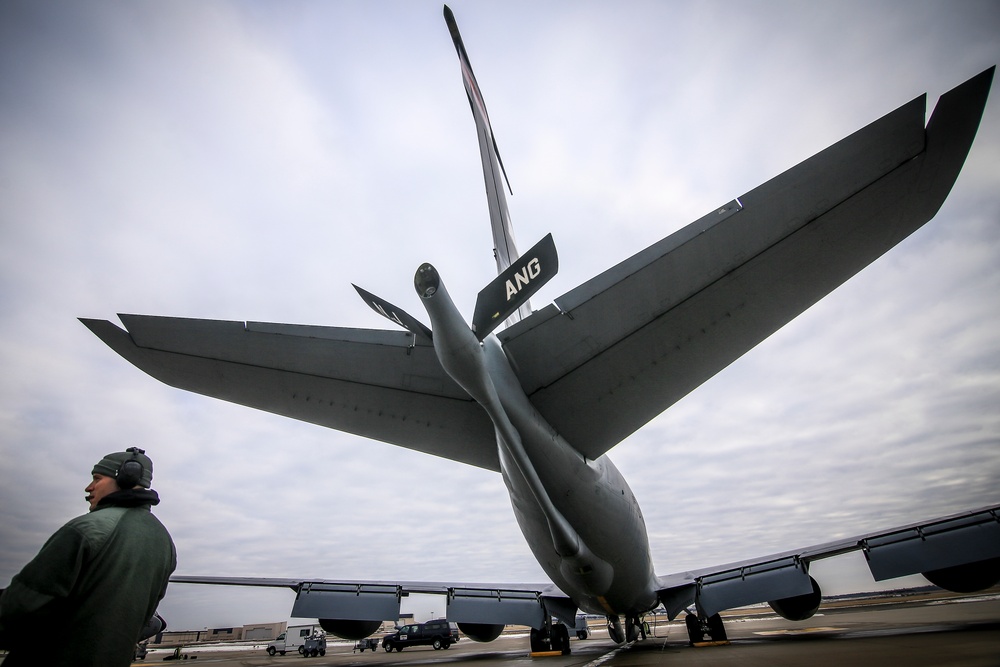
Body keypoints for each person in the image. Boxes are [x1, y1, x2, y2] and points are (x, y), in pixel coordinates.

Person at [0, 448, 176, 666]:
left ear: (125, 477)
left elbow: (20, 608)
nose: (89, 487)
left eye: (97, 478)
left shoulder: (86, 529)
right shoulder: (165, 542)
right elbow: (144, 617)